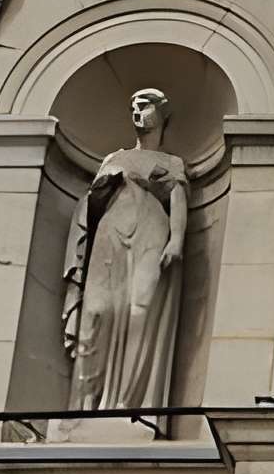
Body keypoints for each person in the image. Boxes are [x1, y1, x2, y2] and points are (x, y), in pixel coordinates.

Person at [59, 87, 191, 436]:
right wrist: (104, 186)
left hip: (151, 232)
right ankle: (86, 406)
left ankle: (130, 407)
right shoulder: (113, 158)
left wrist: (177, 239)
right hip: (110, 232)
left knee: (140, 310)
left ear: (163, 115)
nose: (137, 110)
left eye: (145, 105)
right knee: (97, 311)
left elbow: (178, 202)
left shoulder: (172, 163)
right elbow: (90, 205)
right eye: (133, 104)